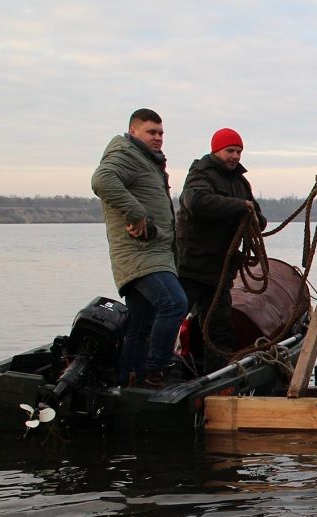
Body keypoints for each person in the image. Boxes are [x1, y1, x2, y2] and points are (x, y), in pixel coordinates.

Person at [91, 108, 187, 389]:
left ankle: (129, 380)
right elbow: (101, 180)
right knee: (174, 303)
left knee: (140, 324)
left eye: (161, 133)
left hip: (152, 253)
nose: (158, 138)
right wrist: (136, 213)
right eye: (151, 132)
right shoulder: (126, 155)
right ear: (133, 131)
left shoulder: (146, 160)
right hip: (141, 255)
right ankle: (157, 368)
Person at [176, 127, 267, 374]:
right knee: (173, 316)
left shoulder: (240, 182)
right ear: (216, 150)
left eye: (238, 151)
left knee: (219, 327)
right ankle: (155, 369)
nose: (235, 156)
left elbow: (257, 215)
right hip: (191, 267)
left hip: (220, 271)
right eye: (230, 151)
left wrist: (254, 219)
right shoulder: (200, 174)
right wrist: (240, 207)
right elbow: (196, 202)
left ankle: (217, 377)